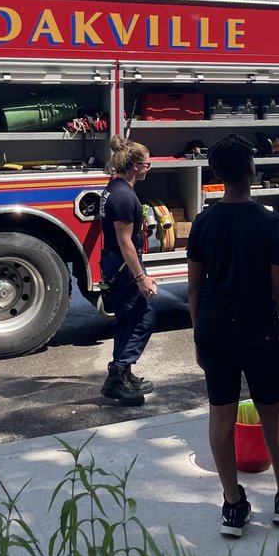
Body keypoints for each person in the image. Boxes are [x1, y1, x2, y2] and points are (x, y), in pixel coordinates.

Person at [186, 135, 279, 537]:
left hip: (214, 327)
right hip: (257, 327)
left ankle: (233, 505)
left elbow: (194, 287)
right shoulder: (270, 222)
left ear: (216, 175)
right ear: (252, 170)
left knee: (220, 414)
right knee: (272, 411)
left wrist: (198, 335)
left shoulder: (203, 222)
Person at [98, 135, 158, 406]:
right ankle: (117, 376)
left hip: (115, 264)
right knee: (144, 317)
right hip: (124, 266)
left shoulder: (115, 188)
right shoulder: (123, 196)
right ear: (135, 165)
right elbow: (125, 241)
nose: (149, 167)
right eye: (147, 163)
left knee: (127, 319)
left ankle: (124, 373)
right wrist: (141, 276)